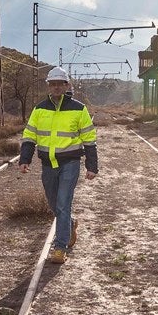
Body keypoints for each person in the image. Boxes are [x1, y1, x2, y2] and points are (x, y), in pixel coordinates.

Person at [19, 66, 98, 264]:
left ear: (66, 85)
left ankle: (60, 247)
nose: (55, 87)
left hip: (70, 163)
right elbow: (29, 136)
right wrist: (25, 159)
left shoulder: (79, 109)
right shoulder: (40, 109)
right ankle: (70, 224)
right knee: (55, 204)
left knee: (63, 203)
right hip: (48, 164)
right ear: (48, 86)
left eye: (59, 84)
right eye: (52, 84)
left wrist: (92, 165)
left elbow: (89, 139)